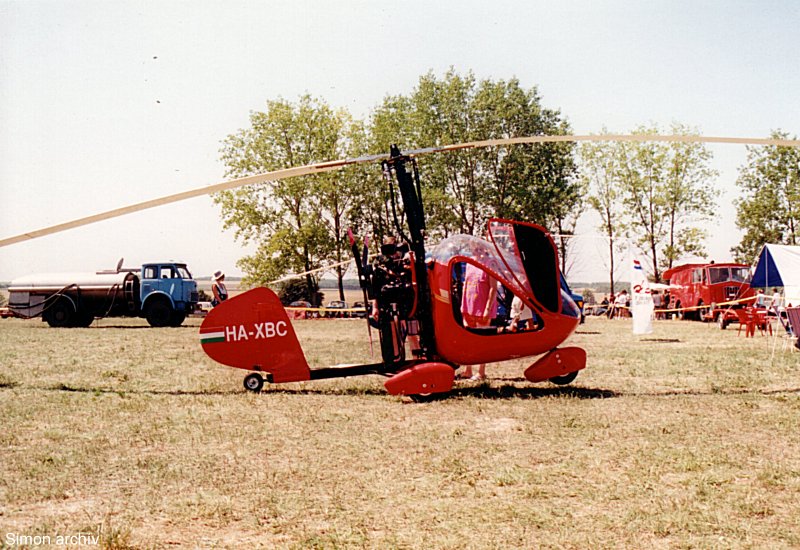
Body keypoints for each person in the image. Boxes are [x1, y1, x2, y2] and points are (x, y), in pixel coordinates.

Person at [459, 263, 498, 381]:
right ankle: (468, 370)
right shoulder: (469, 264)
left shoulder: (490, 264)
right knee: (468, 340)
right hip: (469, 307)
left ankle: (481, 372)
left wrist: (487, 309)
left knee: (482, 340)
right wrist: (463, 306)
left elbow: (493, 288)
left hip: (482, 308)